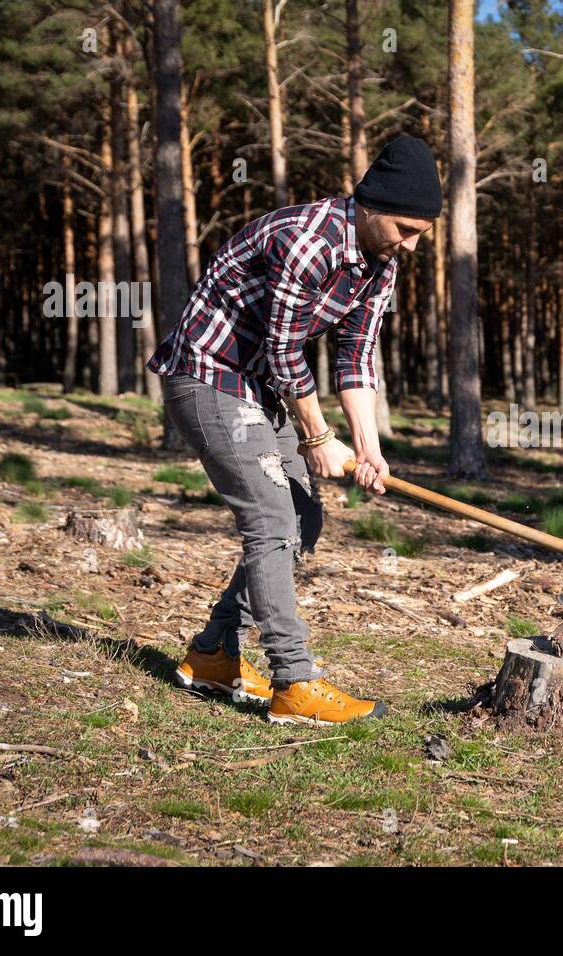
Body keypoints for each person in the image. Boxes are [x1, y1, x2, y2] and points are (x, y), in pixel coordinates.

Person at [147, 135, 440, 725]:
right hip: (208, 376)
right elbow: (286, 353)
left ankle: (212, 654)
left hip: (262, 386)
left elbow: (356, 356)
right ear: (370, 206)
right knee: (272, 521)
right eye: (404, 230)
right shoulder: (308, 242)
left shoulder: (380, 262)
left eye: (421, 235)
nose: (410, 246)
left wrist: (368, 450)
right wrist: (316, 437)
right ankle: (293, 681)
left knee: (304, 516)